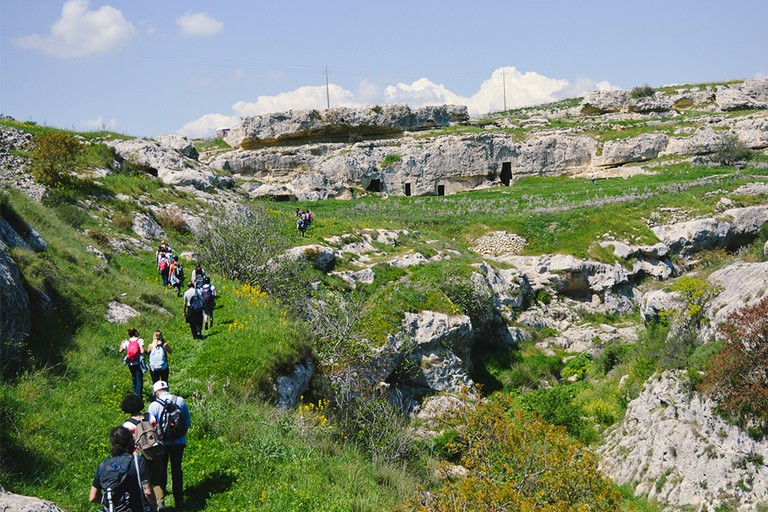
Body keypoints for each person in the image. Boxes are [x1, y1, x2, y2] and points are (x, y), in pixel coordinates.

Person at [148, 381, 191, 512]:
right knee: (177, 470)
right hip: (179, 443)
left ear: (156, 392)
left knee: (161, 471)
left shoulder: (154, 405)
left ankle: (161, 502)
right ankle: (179, 502)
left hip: (162, 444)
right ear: (167, 388)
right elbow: (187, 423)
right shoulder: (180, 400)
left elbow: (151, 428)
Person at [90, 426, 153, 512]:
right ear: (130, 441)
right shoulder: (137, 461)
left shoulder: (105, 465)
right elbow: (148, 492)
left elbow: (93, 497)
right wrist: (154, 507)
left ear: (112, 443)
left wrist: (110, 502)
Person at [121, 394, 164, 511]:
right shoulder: (151, 417)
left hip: (139, 458)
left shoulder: (127, 425)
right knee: (156, 482)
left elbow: (127, 445)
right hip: (155, 454)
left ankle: (149, 507)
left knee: (144, 483)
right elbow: (159, 434)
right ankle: (160, 503)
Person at [119, 328, 146, 397]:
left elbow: (120, 351)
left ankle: (135, 393)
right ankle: (138, 396)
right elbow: (142, 351)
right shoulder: (140, 340)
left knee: (134, 377)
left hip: (130, 362)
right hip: (138, 362)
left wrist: (122, 344)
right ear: (136, 333)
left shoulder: (127, 342)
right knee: (139, 378)